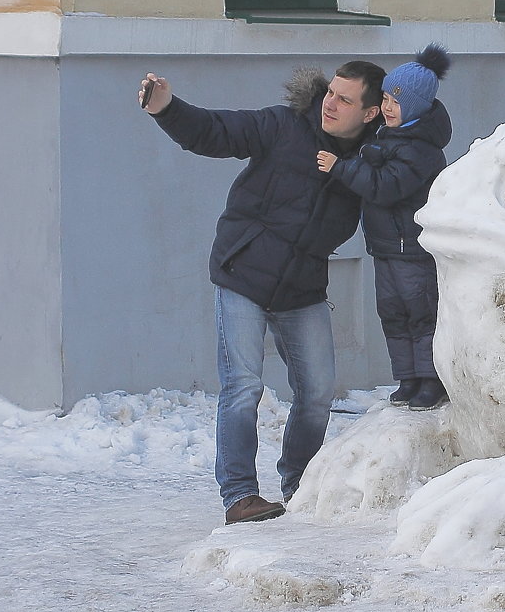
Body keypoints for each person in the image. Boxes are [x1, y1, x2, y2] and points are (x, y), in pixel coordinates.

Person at [139, 60, 385, 525]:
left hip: (303, 286)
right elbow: (216, 131)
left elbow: (404, 181)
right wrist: (167, 109)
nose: (330, 104)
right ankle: (239, 496)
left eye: (346, 100)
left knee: (316, 393)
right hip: (244, 273)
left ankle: (299, 483)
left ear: (370, 113)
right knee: (243, 386)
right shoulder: (283, 125)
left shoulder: (368, 160)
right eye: (331, 93)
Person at [316, 44, 452, 411]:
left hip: (414, 249)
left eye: (396, 101)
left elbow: (388, 187)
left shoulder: (421, 149)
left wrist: (342, 167)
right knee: (392, 312)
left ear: (417, 106)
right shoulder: (387, 135)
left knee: (421, 312)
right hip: (385, 245)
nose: (388, 107)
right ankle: (407, 378)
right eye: (386, 98)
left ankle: (431, 380)